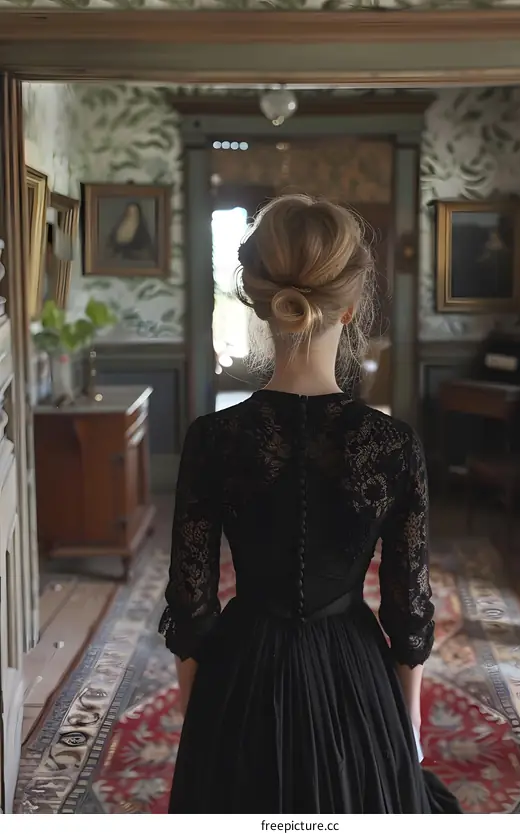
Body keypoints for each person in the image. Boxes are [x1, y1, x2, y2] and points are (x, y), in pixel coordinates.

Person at [159, 194, 461, 814]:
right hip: (356, 674)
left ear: (260, 301)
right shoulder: (393, 445)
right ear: (350, 307)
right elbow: (408, 609)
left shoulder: (213, 438)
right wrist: (406, 723)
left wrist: (197, 712)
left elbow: (192, 601)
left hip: (241, 675)